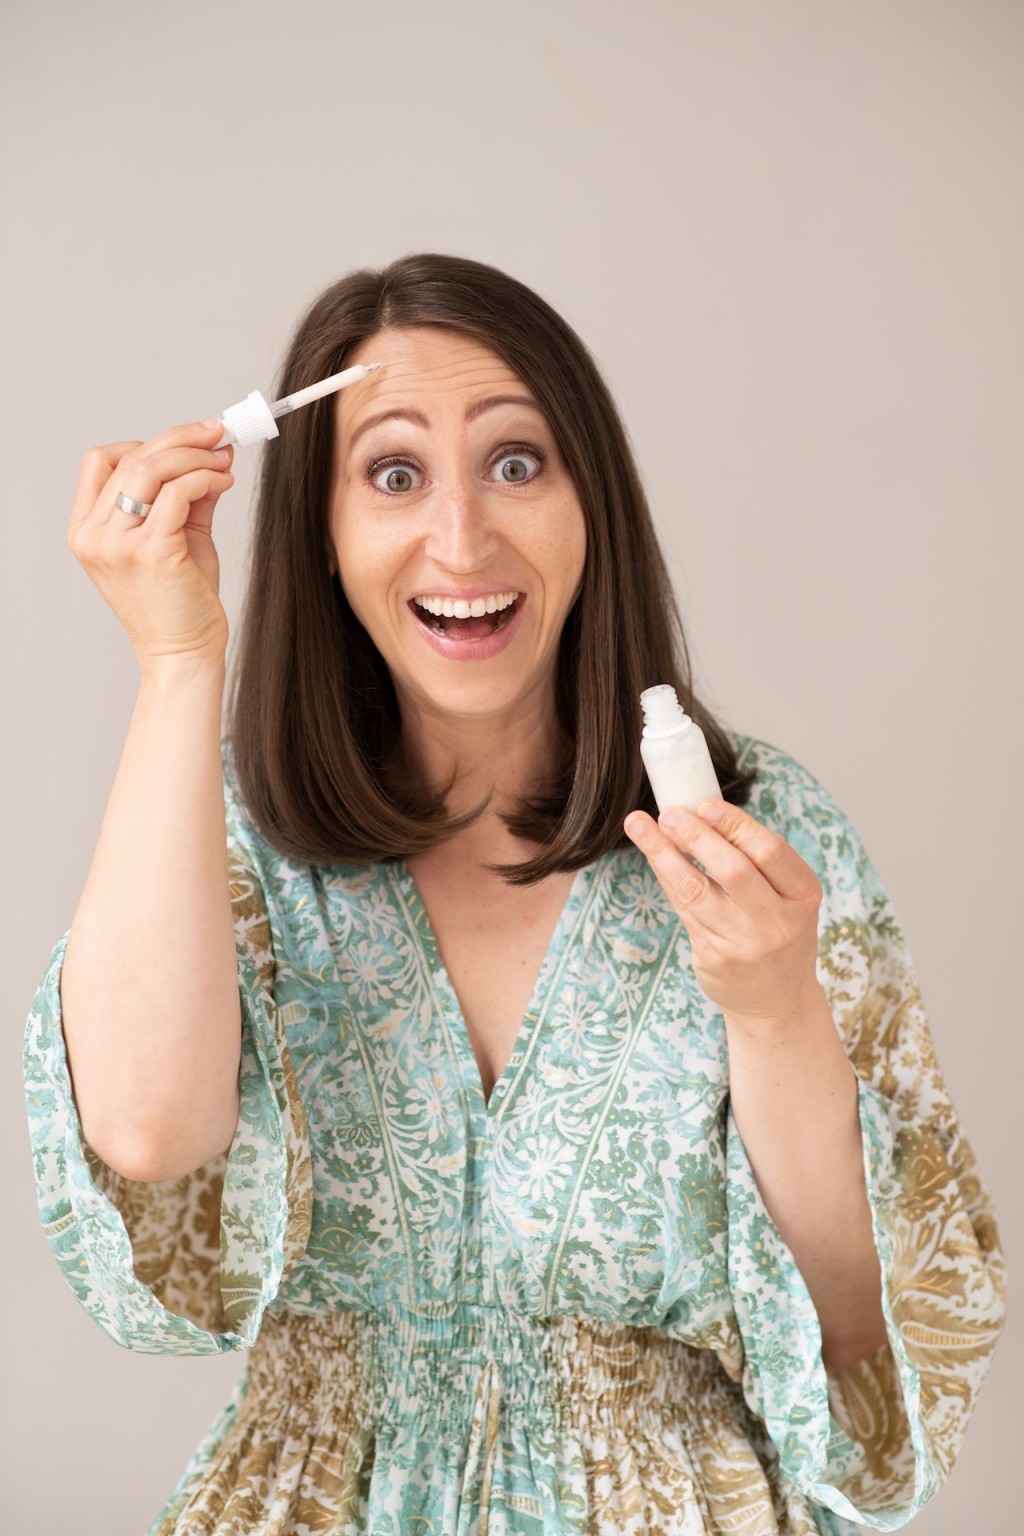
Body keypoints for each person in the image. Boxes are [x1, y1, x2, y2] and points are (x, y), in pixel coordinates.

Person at [24, 253, 1005, 1536]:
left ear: (593, 500)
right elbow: (147, 1138)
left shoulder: (763, 830)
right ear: (321, 533)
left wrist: (774, 1011)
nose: (461, 540)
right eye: (393, 474)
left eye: (516, 461)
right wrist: (174, 656)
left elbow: (860, 1321)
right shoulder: (225, 839)